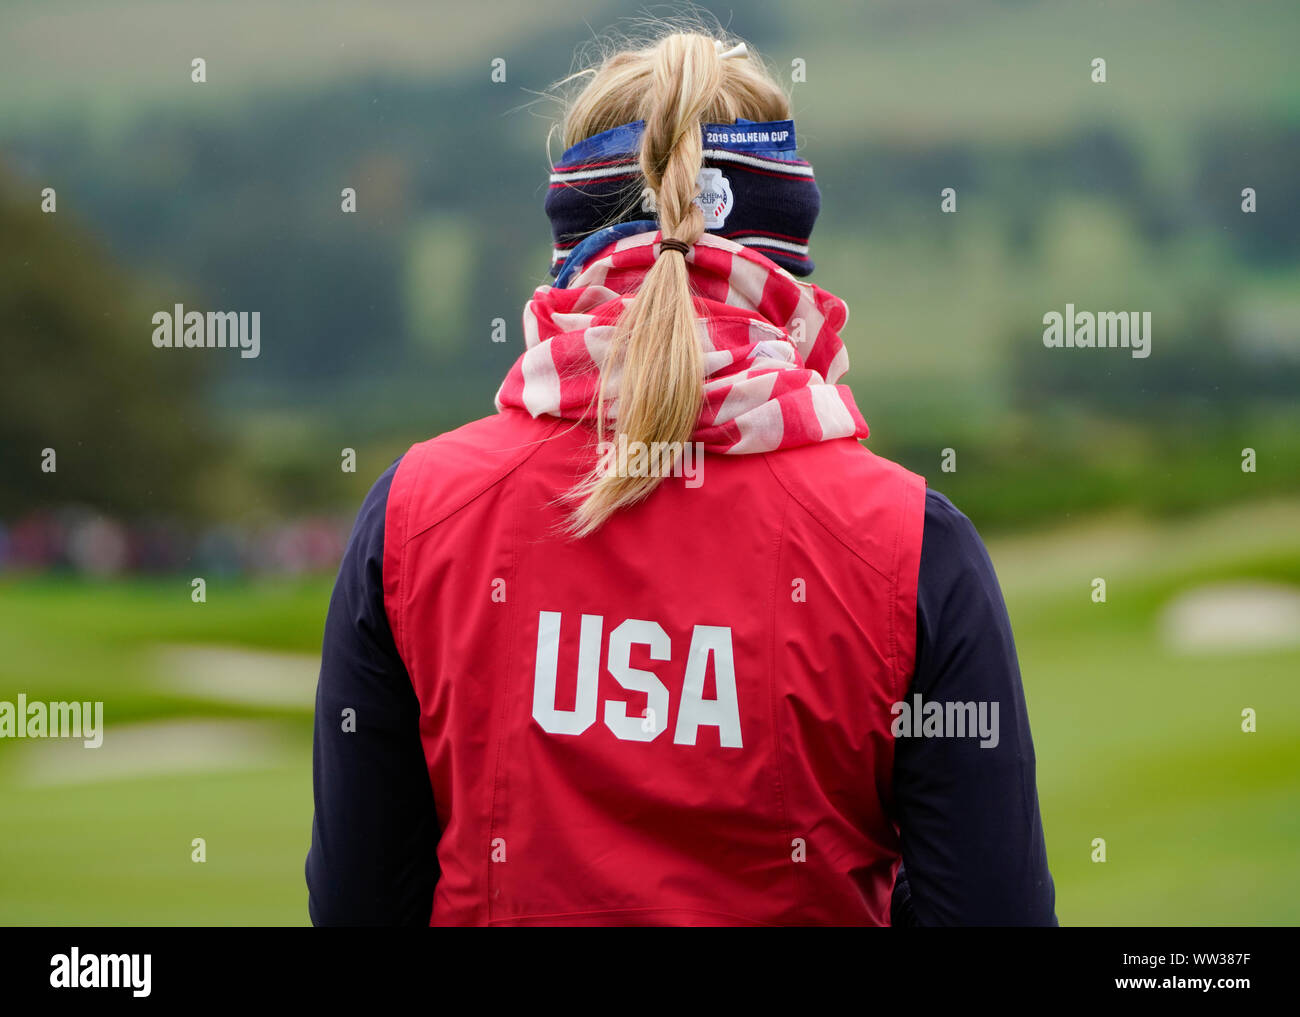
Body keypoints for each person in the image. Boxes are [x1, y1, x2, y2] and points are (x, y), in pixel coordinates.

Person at [306, 28, 1056, 926]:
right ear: (785, 249)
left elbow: (357, 903)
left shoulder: (413, 514)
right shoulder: (914, 543)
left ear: (571, 244)